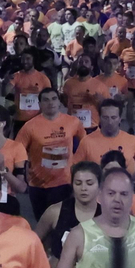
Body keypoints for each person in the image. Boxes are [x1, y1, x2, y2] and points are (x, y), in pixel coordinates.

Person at [16, 87, 84, 219]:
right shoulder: (30, 126)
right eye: (46, 100)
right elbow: (17, 150)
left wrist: (77, 163)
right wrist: (21, 173)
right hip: (38, 183)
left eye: (54, 99)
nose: (50, 103)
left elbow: (86, 143)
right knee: (42, 221)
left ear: (59, 102)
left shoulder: (73, 122)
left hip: (64, 181)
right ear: (39, 104)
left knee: (61, 222)